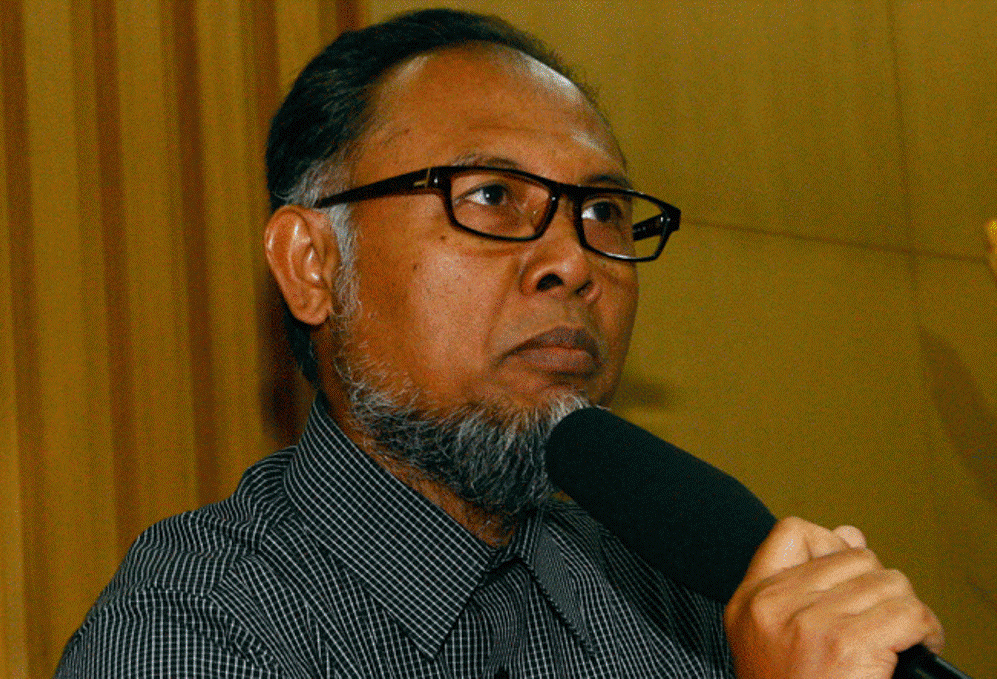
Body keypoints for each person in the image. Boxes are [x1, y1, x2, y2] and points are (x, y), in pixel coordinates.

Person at [55, 9, 943, 678]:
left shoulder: (676, 586)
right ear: (312, 264)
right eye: (489, 196)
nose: (573, 261)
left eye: (602, 210)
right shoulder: (199, 624)